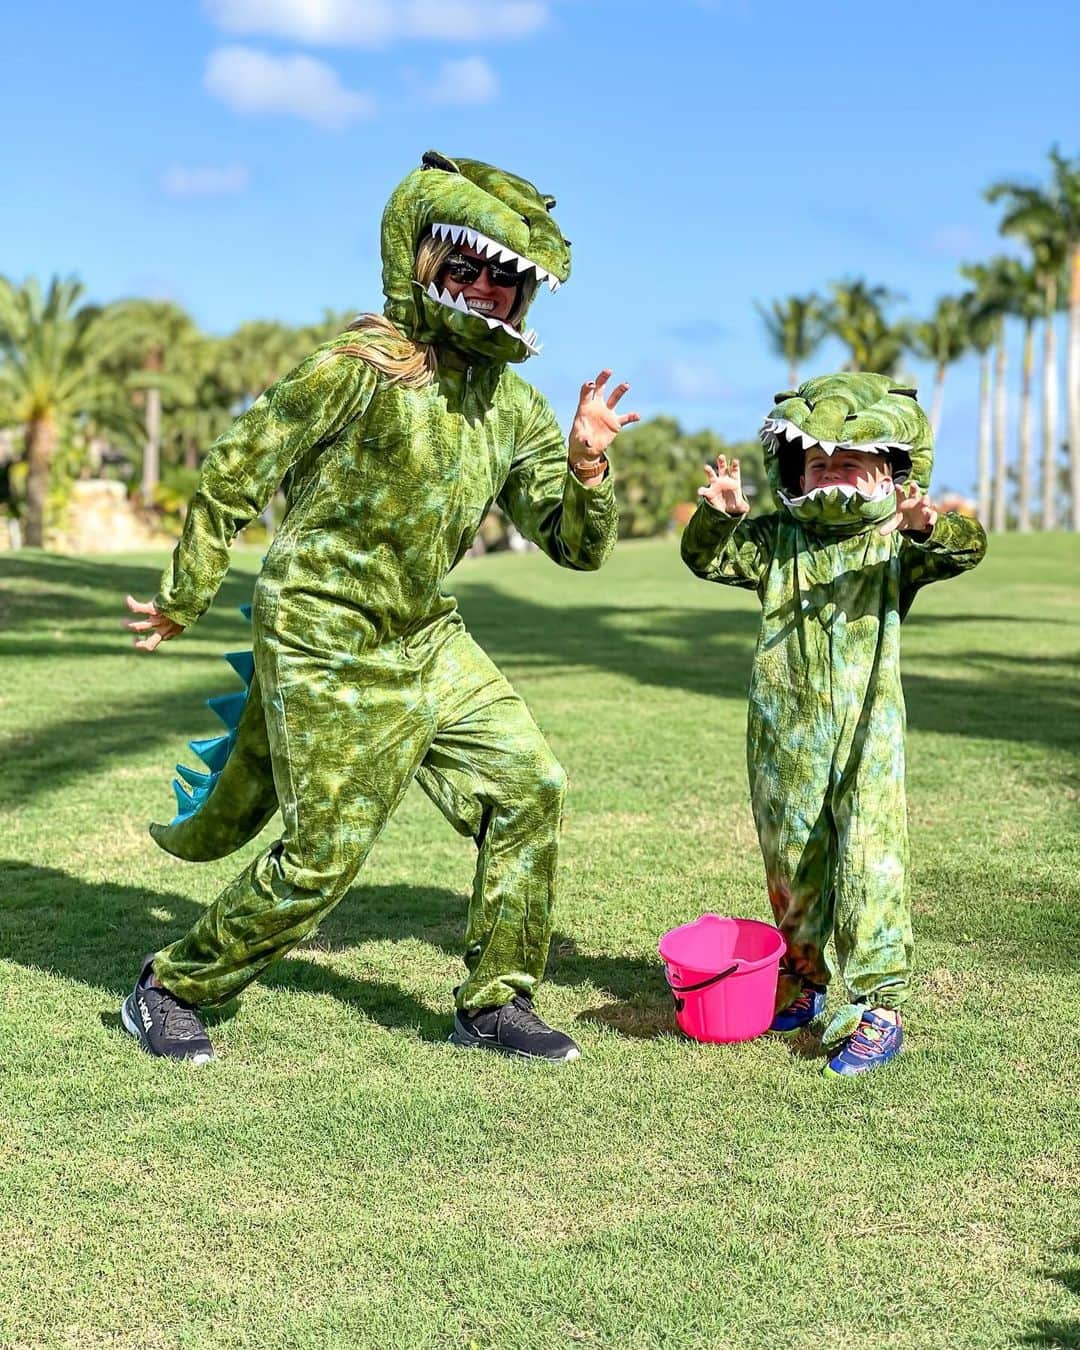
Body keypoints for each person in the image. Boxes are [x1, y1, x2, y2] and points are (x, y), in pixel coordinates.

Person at [120, 150, 638, 1065]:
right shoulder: (359, 366)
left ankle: (494, 1004)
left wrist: (589, 464)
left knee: (531, 784)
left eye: (506, 281)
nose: (486, 290)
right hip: (321, 629)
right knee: (325, 855)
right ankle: (170, 987)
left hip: (424, 632)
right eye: (467, 268)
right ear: (425, 263)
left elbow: (573, 543)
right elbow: (241, 467)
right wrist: (183, 595)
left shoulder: (514, 407)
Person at [680, 372, 986, 1077]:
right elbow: (708, 559)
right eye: (818, 463)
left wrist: (928, 525)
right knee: (792, 862)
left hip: (868, 728)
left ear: (888, 470)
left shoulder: (891, 542)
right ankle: (805, 981)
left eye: (849, 462)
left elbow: (965, 550)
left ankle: (880, 1005)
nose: (830, 474)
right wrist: (720, 515)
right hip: (781, 731)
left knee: (870, 857)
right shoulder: (776, 538)